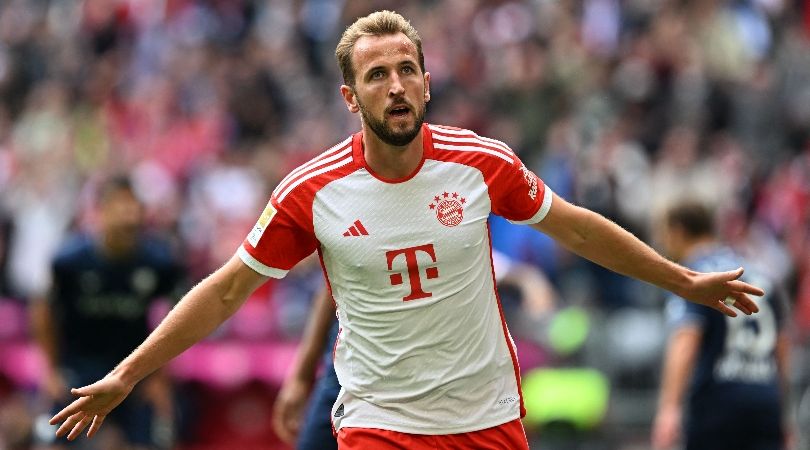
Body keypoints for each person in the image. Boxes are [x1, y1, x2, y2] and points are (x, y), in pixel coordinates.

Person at [50, 11, 764, 449]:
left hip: (486, 414)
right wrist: (127, 373)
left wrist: (683, 280)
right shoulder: (312, 190)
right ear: (349, 95)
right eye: (377, 75)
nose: (395, 86)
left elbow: (576, 230)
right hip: (378, 421)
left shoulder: (481, 164)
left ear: (426, 81)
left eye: (406, 70)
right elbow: (230, 288)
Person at [271, 250, 556, 449]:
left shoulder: (447, 218)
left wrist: (534, 288)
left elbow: (517, 273)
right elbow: (331, 281)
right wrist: (301, 375)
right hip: (355, 364)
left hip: (432, 376)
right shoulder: (350, 198)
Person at [31, 176, 182, 449]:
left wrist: (159, 377)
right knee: (53, 440)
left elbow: (174, 317)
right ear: (99, 211)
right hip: (78, 368)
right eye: (119, 205)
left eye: (133, 205)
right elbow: (43, 310)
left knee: (155, 439)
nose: (128, 213)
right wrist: (50, 370)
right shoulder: (68, 261)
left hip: (134, 370)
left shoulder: (160, 262)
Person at [651, 201, 792, 450]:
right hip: (765, 402)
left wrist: (669, 408)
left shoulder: (693, 277)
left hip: (717, 404)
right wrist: (784, 413)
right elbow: (781, 347)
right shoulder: (762, 273)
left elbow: (686, 337)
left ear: (678, 231)